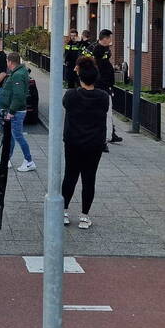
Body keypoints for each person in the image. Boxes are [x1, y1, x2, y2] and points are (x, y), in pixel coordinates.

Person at [61, 56, 112, 229]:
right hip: (94, 144)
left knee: (70, 176)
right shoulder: (103, 97)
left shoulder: (71, 96)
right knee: (89, 179)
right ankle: (84, 216)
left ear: (80, 75)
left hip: (73, 142)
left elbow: (66, 104)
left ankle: (64, 212)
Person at [0, 51, 35, 172]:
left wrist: (11, 112)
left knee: (18, 136)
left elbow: (18, 95)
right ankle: (6, 159)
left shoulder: (17, 75)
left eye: (7, 61)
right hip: (16, 110)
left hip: (16, 112)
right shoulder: (19, 72)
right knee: (10, 136)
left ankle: (29, 161)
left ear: (10, 62)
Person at [90, 29, 122, 143]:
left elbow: (105, 63)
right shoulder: (97, 50)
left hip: (107, 83)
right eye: (110, 38)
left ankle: (111, 133)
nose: (111, 41)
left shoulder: (106, 48)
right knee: (105, 110)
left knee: (108, 110)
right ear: (105, 38)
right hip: (101, 84)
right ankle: (105, 136)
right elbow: (97, 66)